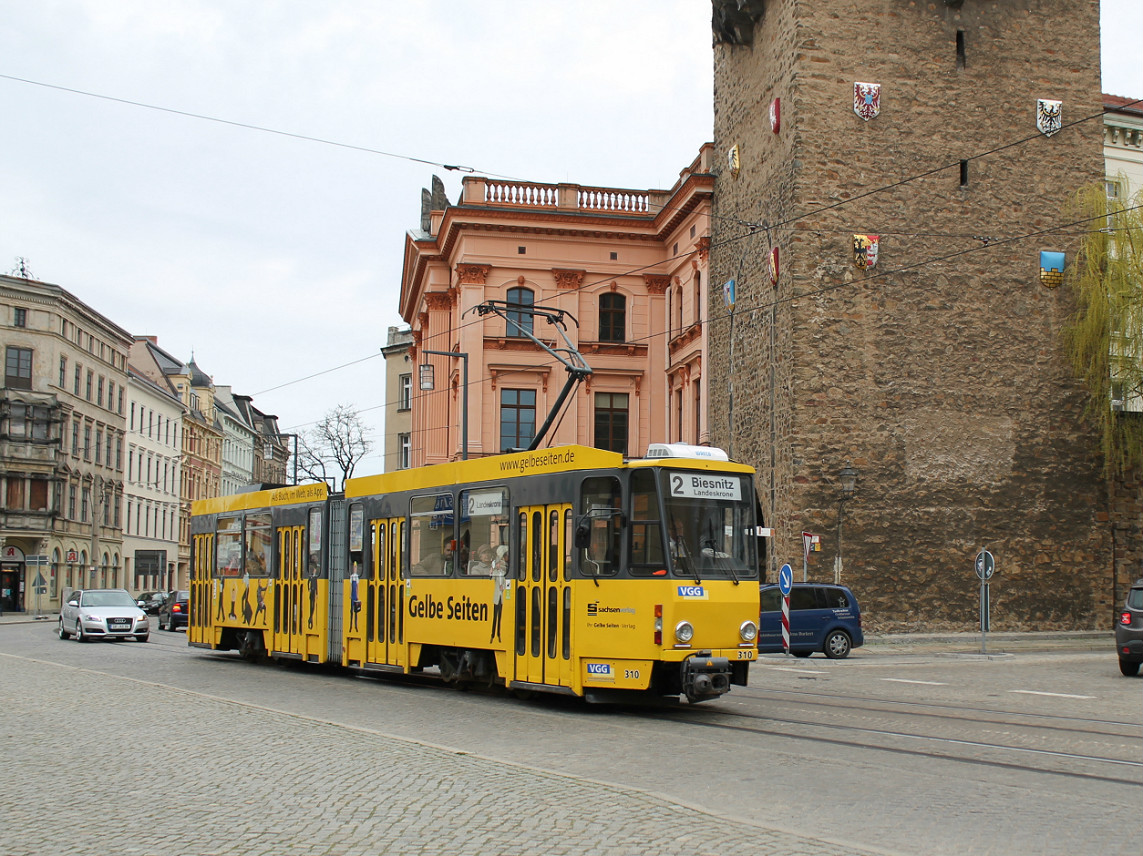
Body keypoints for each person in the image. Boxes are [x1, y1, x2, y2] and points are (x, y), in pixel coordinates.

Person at [489, 545, 508, 643]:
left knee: (500, 617)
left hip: (502, 597)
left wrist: (503, 587)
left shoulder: (505, 573)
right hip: (497, 597)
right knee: (494, 617)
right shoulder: (496, 572)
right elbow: (491, 579)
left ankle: (498, 635)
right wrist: (492, 570)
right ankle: (492, 635)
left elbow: (505, 584)